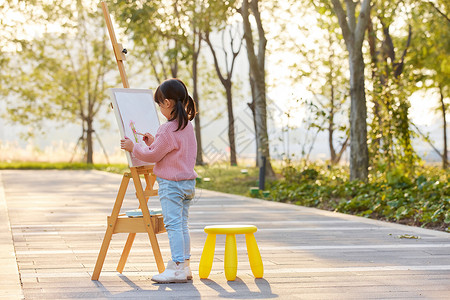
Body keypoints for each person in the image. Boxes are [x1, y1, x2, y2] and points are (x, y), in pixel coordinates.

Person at [120, 78, 197, 283]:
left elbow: (152, 156)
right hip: (187, 183)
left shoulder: (166, 129)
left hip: (171, 185)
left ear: (168, 103)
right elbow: (168, 151)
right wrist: (153, 143)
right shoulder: (187, 126)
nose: (160, 108)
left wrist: (133, 147)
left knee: (173, 225)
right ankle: (185, 265)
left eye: (160, 104)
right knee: (182, 224)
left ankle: (178, 267)